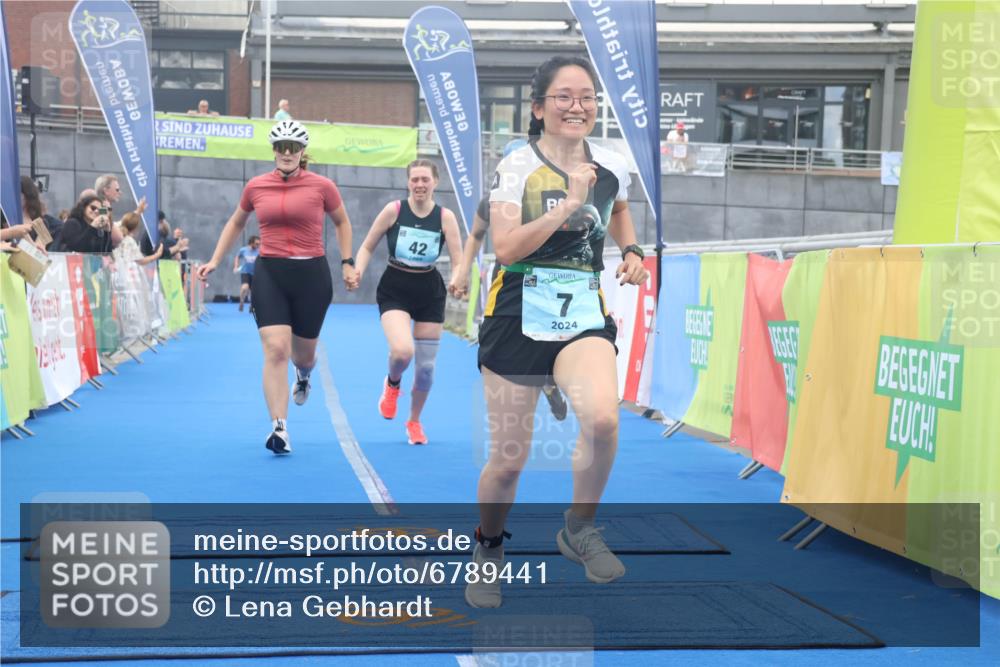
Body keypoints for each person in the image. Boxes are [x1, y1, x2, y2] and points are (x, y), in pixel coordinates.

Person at [465, 56, 649, 608]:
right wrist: (566, 203)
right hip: (517, 311)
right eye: (564, 97)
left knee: (604, 418)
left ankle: (579, 528)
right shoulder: (517, 166)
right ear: (539, 108)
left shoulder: (611, 162)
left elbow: (618, 209)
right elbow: (505, 248)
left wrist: (632, 250)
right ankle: (488, 548)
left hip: (582, 309)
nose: (578, 106)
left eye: (587, 97)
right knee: (508, 461)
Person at [196, 120, 358, 455]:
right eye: (281, 147)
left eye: (293, 148)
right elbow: (236, 222)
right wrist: (215, 259)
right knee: (275, 350)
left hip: (311, 275)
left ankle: (304, 374)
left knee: (303, 355)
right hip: (270, 273)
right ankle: (279, 428)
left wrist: (347, 262)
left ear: (302, 151)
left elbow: (342, 221)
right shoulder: (256, 186)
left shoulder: (323, 186)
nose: (287, 153)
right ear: (273, 151)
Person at [452, 144, 569, 422]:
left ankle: (547, 379)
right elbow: (476, 235)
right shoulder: (492, 200)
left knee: (546, 339)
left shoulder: (554, 196)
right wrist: (463, 271)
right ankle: (524, 387)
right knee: (504, 341)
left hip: (548, 279)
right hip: (508, 277)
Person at [354, 159, 464, 446]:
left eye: (425, 179)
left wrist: (457, 280)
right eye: (414, 179)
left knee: (426, 370)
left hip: (429, 290)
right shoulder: (394, 210)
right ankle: (392, 383)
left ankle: (414, 421)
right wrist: (358, 270)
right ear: (408, 182)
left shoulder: (445, 217)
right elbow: (367, 246)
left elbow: (458, 260)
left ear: (435, 182)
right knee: (403, 352)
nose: (419, 184)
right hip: (396, 287)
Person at [233, 235, 261, 312]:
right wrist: (236, 266)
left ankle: (252, 305)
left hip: (255, 273)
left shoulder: (259, 251)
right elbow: (237, 257)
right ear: (251, 243)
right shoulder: (243, 250)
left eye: (259, 244)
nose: (258, 245)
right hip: (245, 272)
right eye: (256, 244)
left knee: (253, 291)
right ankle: (241, 301)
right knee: (245, 287)